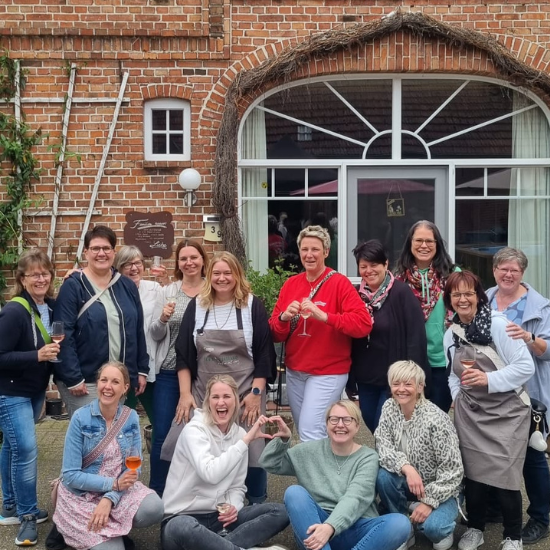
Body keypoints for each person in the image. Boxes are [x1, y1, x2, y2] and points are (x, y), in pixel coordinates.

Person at [443, 271, 534, 550]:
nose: (463, 299)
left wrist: (488, 379)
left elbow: (526, 367)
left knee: (506, 476)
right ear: (449, 300)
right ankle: (476, 528)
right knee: (473, 475)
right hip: (471, 413)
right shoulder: (451, 333)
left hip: (508, 412)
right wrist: (458, 400)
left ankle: (513, 536)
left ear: (479, 296)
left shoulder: (499, 325)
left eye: (468, 293)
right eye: (456, 294)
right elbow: (453, 375)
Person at [175, 251, 275, 504]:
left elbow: (264, 354)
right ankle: (199, 502)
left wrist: (256, 395)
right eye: (217, 273)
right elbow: (184, 353)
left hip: (246, 392)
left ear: (237, 275)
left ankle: (256, 501)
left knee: (252, 446)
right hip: (204, 393)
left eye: (228, 273)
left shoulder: (252, 305)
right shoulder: (197, 305)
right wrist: (185, 394)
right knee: (188, 441)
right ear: (209, 276)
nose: (222, 278)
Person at [259, 399, 411, 550]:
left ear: (357, 426)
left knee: (401, 523)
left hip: (357, 528)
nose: (340, 425)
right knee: (294, 493)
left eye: (347, 420)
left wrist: (330, 527)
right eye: (334, 419)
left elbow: (355, 497)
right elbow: (269, 463)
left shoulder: (368, 457)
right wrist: (283, 440)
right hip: (317, 528)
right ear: (326, 424)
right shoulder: (308, 451)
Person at [161, 374, 289, 550]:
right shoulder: (194, 430)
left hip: (219, 519)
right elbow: (210, 474)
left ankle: (218, 545)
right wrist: (245, 441)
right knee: (181, 526)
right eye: (215, 397)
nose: (221, 402)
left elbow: (237, 486)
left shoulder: (239, 435)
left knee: (280, 512)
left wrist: (233, 507)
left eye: (227, 396)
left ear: (235, 401)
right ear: (208, 402)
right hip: (182, 516)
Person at [269, 225, 372, 441]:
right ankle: (328, 463)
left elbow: (363, 324)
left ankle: (315, 466)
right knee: (307, 431)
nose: (309, 254)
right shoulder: (290, 284)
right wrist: (284, 318)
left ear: (326, 252)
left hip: (328, 372)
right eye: (304, 249)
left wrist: (325, 316)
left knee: (310, 432)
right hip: (296, 371)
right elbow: (276, 334)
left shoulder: (339, 283)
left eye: (315, 249)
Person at [53, 361, 164, 550]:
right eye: (103, 380)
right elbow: (70, 475)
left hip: (118, 489)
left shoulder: (131, 417)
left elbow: (134, 469)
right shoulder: (80, 418)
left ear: (125, 388)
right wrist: (112, 484)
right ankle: (78, 527)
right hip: (82, 494)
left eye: (115, 382)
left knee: (154, 508)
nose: (108, 387)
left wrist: (110, 497)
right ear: (97, 383)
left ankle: (113, 524)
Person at [486, 247, 550, 545]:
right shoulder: (484, 298)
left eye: (514, 270)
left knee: (532, 457)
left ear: (522, 273)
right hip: (492, 391)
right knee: (494, 452)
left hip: (527, 393)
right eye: (503, 269)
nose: (508, 274)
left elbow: (548, 351)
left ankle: (540, 517)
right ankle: (496, 509)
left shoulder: (540, 307)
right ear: (494, 270)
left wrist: (529, 338)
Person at [53, 225, 149, 417]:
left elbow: (138, 330)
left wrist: (141, 369)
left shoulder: (126, 285)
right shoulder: (74, 286)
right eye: (95, 248)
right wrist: (73, 377)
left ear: (114, 252)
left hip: (118, 379)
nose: (101, 253)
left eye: (106, 248)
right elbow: (63, 334)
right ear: (86, 253)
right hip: (86, 381)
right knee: (91, 431)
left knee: (111, 431)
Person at [0, 249, 59, 546]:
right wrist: (36, 355)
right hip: (11, 392)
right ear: (22, 279)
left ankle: (9, 506)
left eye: (45, 273)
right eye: (34, 274)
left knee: (12, 447)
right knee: (26, 450)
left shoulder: (49, 306)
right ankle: (27, 515)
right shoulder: (14, 311)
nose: (40, 279)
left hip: (34, 390)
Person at [375, 360, 464, 550]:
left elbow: (453, 470)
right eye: (396, 383)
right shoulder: (389, 407)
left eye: (408, 384)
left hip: (442, 489)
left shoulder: (436, 419)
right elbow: (382, 446)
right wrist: (407, 468)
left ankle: (439, 522)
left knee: (434, 530)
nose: (401, 389)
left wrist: (429, 502)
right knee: (383, 476)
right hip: (409, 482)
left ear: (420, 386)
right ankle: (403, 528)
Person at [147, 239, 208, 496]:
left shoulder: (213, 289)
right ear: (178, 263)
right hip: (170, 372)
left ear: (203, 260)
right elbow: (154, 333)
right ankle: (157, 492)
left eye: (194, 257)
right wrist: (163, 318)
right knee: (163, 433)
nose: (189, 262)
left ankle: (196, 490)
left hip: (205, 373)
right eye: (184, 258)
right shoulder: (168, 292)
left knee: (203, 434)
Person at [349, 240, 429, 433]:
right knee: (372, 424)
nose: (369, 271)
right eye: (363, 266)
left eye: (374, 265)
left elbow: (416, 337)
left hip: (395, 380)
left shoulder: (401, 293)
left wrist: (412, 377)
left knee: (384, 428)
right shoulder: (355, 296)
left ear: (385, 264)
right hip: (366, 379)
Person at [395, 220, 458, 413]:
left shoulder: (453, 275)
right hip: (410, 363)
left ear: (437, 244)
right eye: (419, 240)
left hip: (443, 362)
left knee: (436, 418)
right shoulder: (398, 279)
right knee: (410, 419)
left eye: (429, 241)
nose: (424, 245)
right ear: (410, 243)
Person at [113, 245, 169, 423]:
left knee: (160, 420)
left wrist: (166, 280)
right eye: (127, 264)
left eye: (138, 263)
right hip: (123, 365)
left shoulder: (154, 289)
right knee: (121, 420)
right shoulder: (112, 291)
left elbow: (160, 326)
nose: (134, 268)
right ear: (118, 267)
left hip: (150, 363)